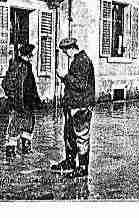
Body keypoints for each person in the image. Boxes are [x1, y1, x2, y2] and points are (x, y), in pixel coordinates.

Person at [51, 38, 95, 178]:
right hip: (73, 105)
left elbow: (81, 85)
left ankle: (82, 167)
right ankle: (70, 162)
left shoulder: (82, 60)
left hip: (81, 105)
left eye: (66, 51)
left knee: (81, 136)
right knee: (69, 135)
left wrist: (65, 76)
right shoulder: (77, 60)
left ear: (72, 48)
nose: (66, 54)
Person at [2, 43, 41, 160]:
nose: (32, 57)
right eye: (31, 55)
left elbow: (31, 85)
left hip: (28, 103)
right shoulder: (16, 66)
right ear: (27, 55)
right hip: (19, 103)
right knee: (15, 126)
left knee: (28, 125)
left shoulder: (27, 66)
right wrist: (14, 99)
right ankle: (10, 153)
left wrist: (36, 99)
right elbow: (6, 84)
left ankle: (26, 149)